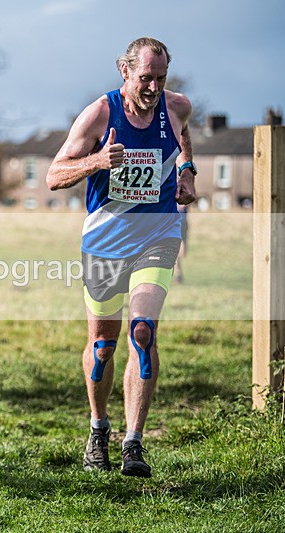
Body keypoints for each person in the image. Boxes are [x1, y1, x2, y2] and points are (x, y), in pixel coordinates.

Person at [46, 37, 196, 478]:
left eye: (160, 78)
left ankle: (133, 442)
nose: (152, 87)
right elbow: (55, 175)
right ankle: (98, 428)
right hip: (105, 242)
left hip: (158, 234)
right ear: (125, 72)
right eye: (145, 77)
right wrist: (97, 161)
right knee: (103, 345)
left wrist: (187, 171)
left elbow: (183, 135)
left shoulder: (177, 106)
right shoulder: (99, 114)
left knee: (143, 331)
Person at [174, 203, 190, 283]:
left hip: (183, 224)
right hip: (173, 224)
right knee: (177, 253)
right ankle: (178, 275)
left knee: (183, 253)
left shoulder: (183, 192)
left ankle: (178, 273)